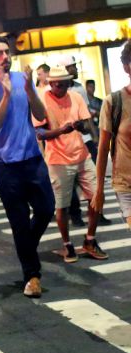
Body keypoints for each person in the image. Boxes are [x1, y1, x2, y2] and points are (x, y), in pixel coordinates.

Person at [0, 36, 55, 298]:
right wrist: (6, 95)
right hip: (5, 166)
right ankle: (32, 276)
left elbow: (42, 116)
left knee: (46, 209)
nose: (5, 57)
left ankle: (26, 247)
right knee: (19, 222)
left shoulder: (23, 79)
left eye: (7, 52)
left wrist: (30, 90)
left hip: (32, 158)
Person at [36, 65, 108, 263]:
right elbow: (40, 133)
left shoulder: (75, 97)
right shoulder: (42, 99)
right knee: (62, 206)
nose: (62, 88)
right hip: (58, 160)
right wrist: (61, 130)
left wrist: (82, 127)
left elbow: (86, 125)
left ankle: (90, 240)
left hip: (81, 155)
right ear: (51, 83)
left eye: (65, 84)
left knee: (96, 198)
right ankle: (67, 244)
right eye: (58, 85)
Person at [92, 40, 131, 232]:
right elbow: (102, 148)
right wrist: (99, 189)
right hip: (126, 183)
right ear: (126, 67)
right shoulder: (113, 102)